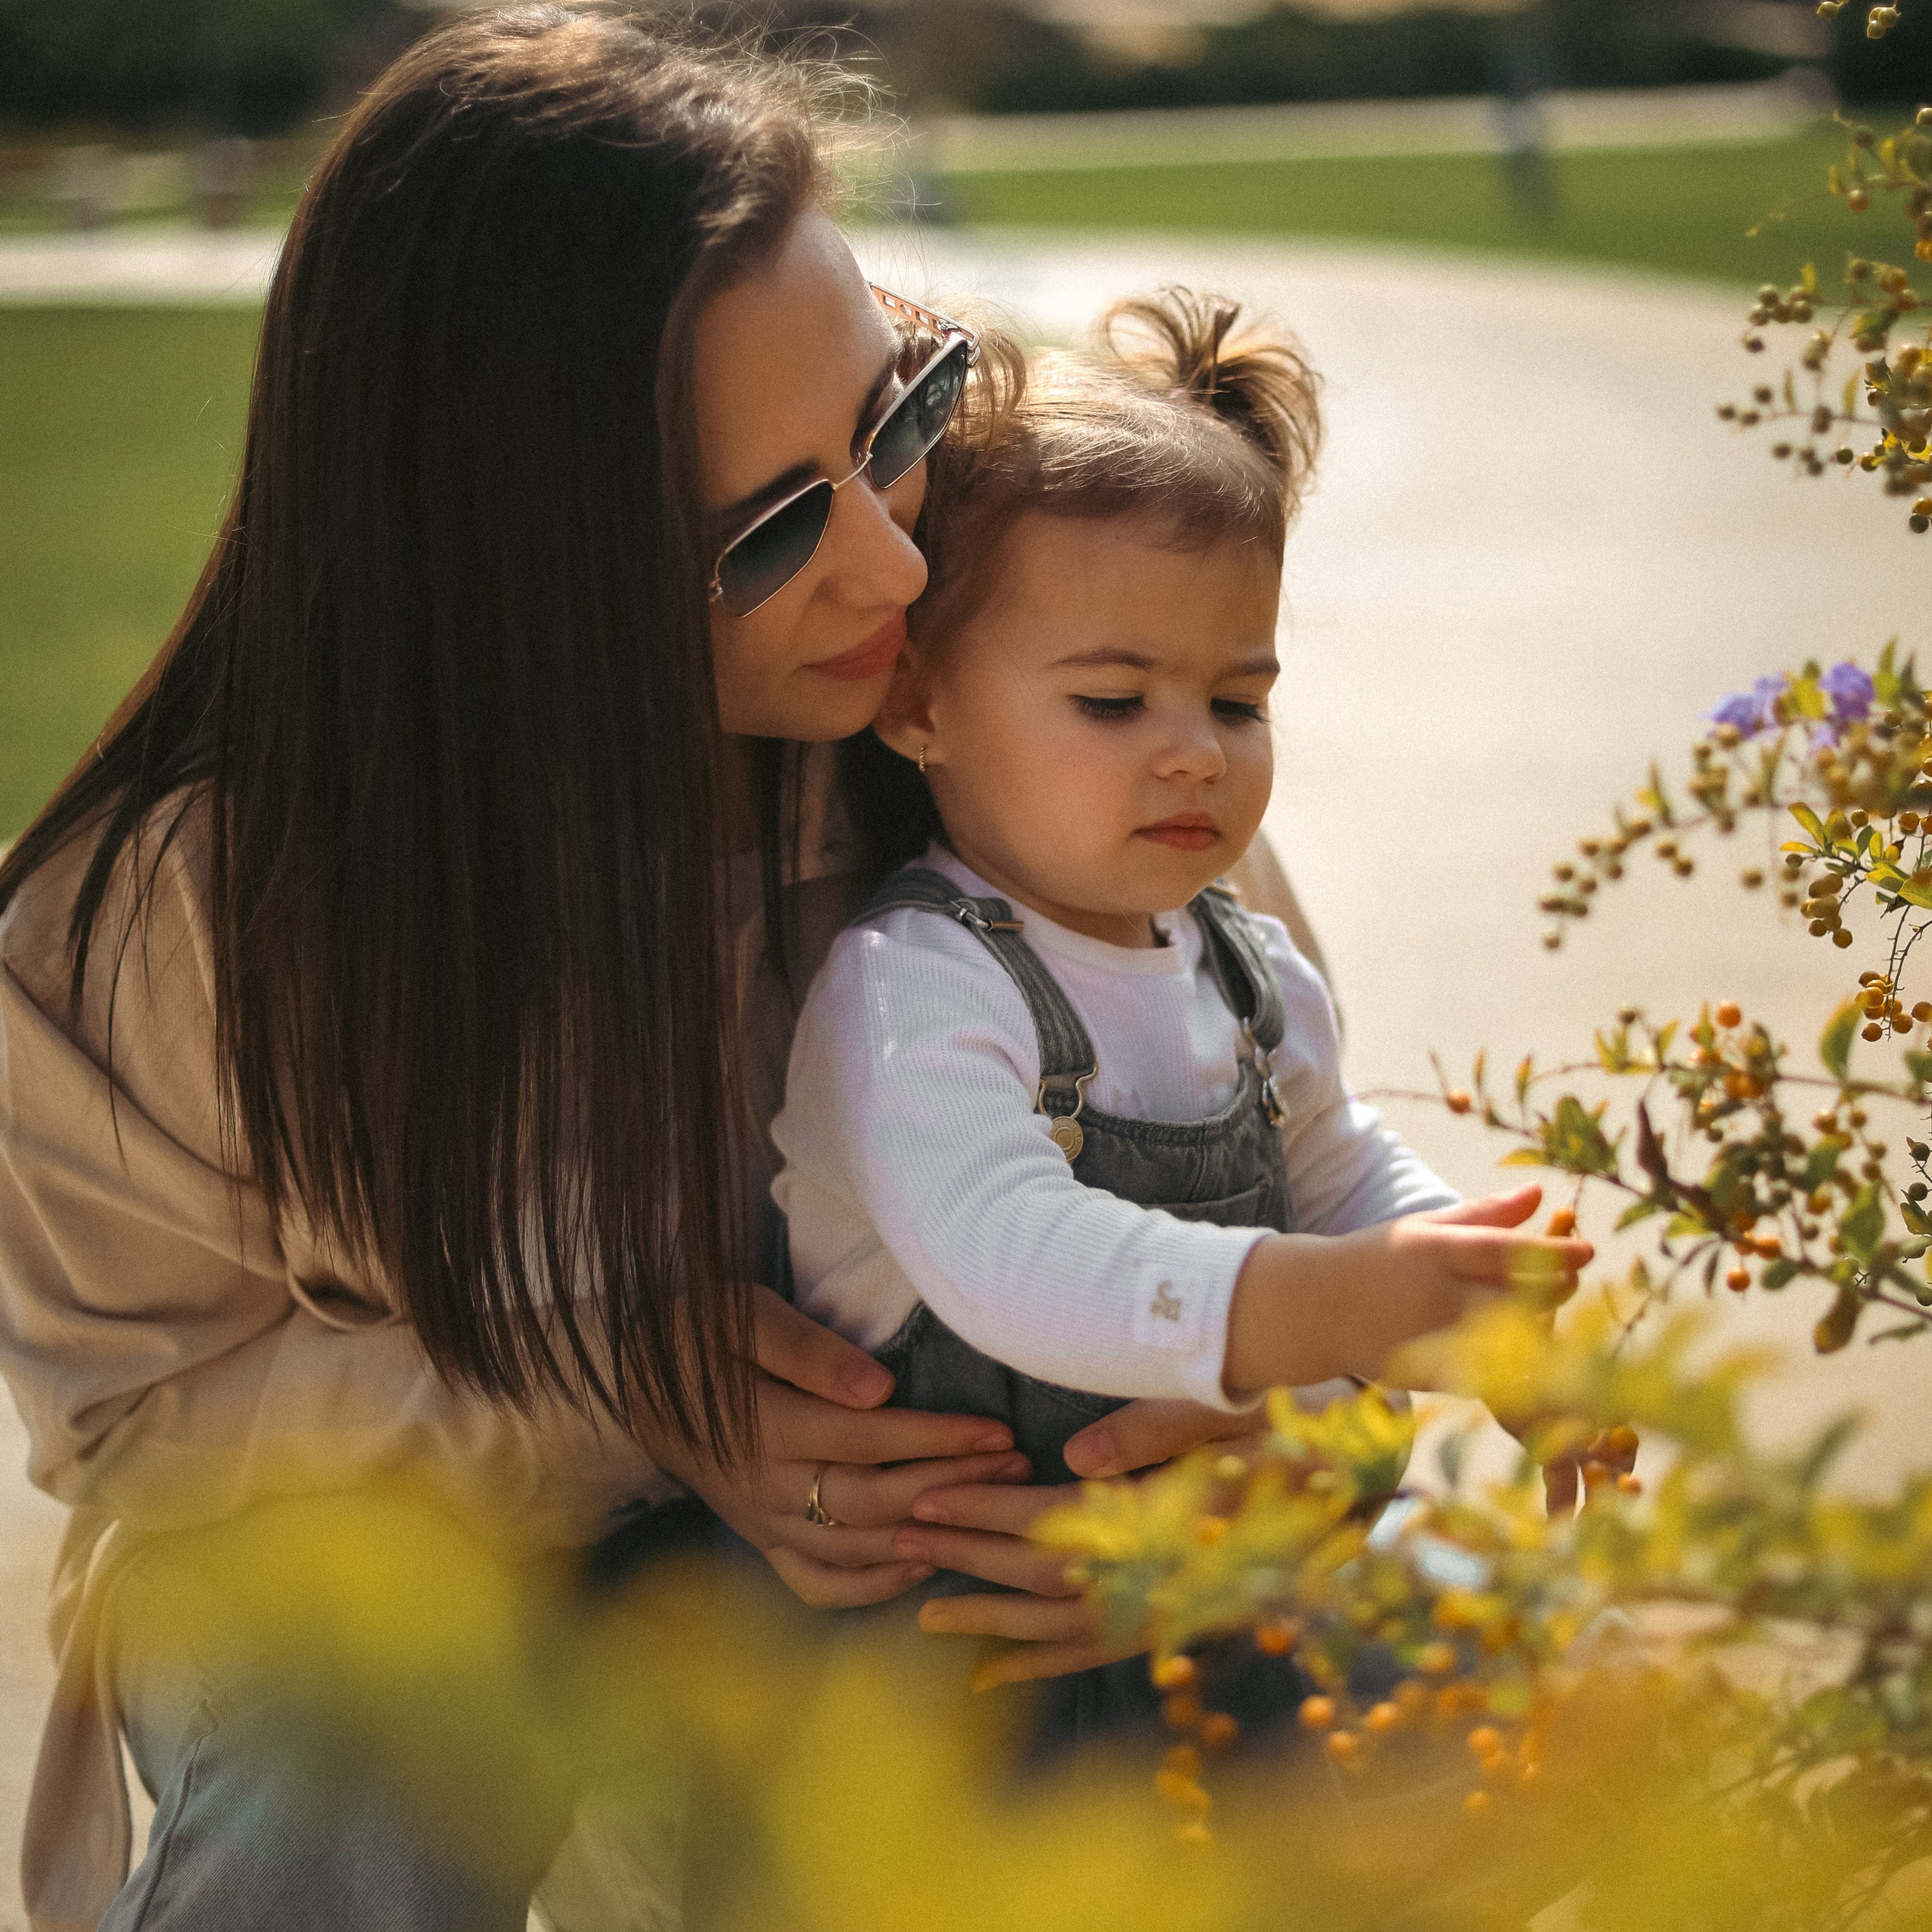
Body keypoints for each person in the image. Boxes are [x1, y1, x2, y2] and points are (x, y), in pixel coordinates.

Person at [0, 14, 1297, 1930]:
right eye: (769, 529)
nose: (898, 566)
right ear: (505, 578)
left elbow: (1274, 1157)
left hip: (891, 1555)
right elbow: (134, 1417)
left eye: (897, 416)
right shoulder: (171, 918)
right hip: (400, 1562)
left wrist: (1234, 1424)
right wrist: (604, 1375)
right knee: (338, 1779)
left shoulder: (1020, 720)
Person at [771, 290, 1592, 1740]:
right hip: (954, 1691)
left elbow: (1336, 1171)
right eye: (1112, 703)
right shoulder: (913, 984)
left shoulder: (1246, 964)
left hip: (1211, 1627)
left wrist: (1468, 1305)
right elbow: (1009, 1255)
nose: (1193, 755)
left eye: (1237, 702)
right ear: (917, 707)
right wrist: (1324, 1309)